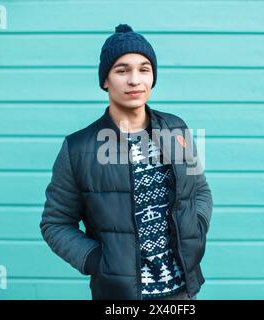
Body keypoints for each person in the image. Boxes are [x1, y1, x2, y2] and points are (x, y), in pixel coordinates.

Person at [40, 23, 213, 300]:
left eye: (144, 69)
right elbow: (55, 223)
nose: (135, 80)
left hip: (183, 292)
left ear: (152, 77)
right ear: (106, 80)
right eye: (122, 70)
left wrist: (197, 227)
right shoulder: (78, 148)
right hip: (119, 296)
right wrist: (99, 261)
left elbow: (200, 190)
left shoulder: (176, 129)